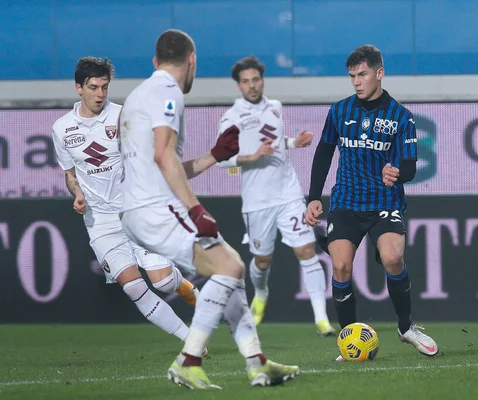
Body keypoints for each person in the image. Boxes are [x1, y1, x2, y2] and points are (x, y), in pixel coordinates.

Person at [118, 29, 300, 390]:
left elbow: (165, 165)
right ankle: (188, 361)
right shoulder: (167, 90)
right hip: (157, 207)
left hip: (141, 207)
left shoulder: (140, 93)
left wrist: (215, 156)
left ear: (155, 61)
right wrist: (196, 209)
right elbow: (164, 155)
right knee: (231, 267)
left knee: (230, 266)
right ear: (192, 60)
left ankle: (257, 362)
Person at [304, 45, 439, 359]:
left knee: (392, 259)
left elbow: (408, 164)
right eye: (352, 76)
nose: (356, 82)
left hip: (384, 203)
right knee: (340, 266)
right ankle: (348, 338)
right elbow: (323, 153)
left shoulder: (401, 117)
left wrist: (398, 173)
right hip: (347, 202)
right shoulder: (339, 111)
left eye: (362, 74)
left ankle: (406, 328)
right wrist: (313, 197)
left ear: (379, 73)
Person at [51, 56, 198, 344]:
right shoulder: (61, 129)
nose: (100, 94)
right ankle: (190, 338)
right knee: (133, 288)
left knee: (164, 281)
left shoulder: (123, 116)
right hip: (100, 221)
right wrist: (77, 193)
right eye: (93, 87)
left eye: (105, 87)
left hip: (136, 212)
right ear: (78, 88)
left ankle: (195, 294)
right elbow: (70, 175)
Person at [215, 56, 335, 337]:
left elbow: (277, 143)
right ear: (239, 85)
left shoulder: (275, 107)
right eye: (246, 81)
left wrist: (294, 142)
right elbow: (221, 159)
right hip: (258, 201)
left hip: (288, 192)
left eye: (255, 79)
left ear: (262, 80)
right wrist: (251, 156)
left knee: (306, 250)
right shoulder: (231, 117)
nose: (252, 85)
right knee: (262, 261)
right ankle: (261, 292)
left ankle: (322, 320)